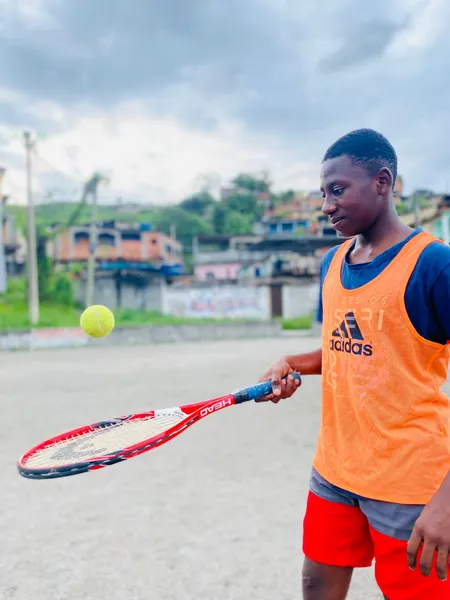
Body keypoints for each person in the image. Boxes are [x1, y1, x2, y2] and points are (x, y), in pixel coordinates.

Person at [258, 128, 450, 600]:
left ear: (383, 182)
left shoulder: (434, 266)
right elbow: (355, 348)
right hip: (336, 469)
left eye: (338, 190)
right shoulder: (332, 263)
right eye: (323, 193)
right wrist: (293, 363)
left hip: (411, 481)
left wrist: (447, 501)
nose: (326, 205)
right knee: (316, 584)